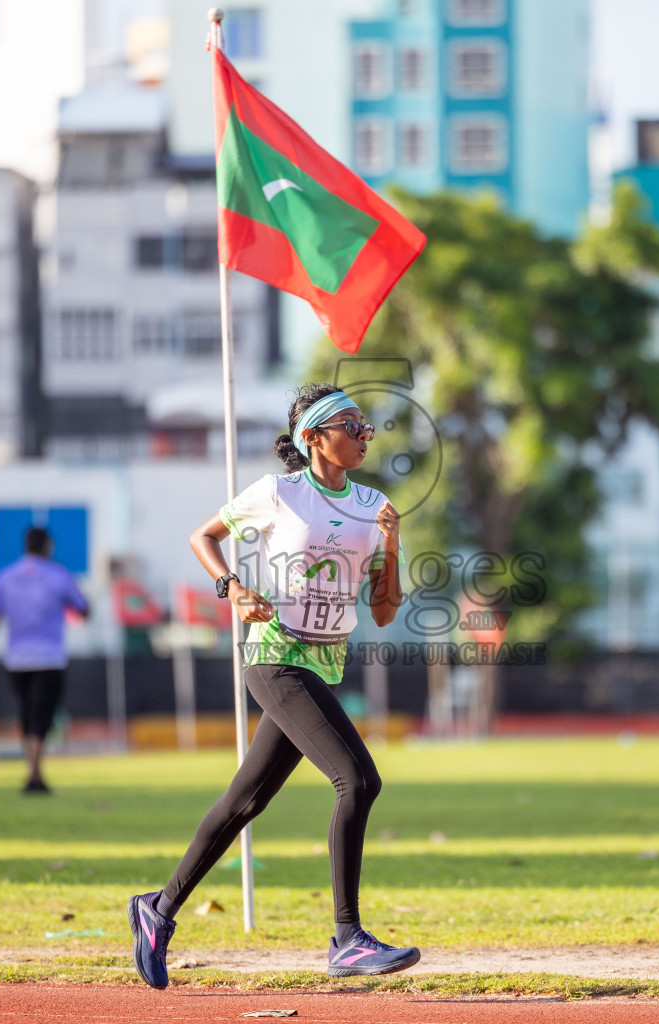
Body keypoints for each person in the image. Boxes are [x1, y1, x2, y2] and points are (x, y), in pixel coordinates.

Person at [126, 383, 417, 990]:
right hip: (275, 658)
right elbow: (201, 536)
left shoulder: (373, 504)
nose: (364, 433)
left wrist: (391, 542)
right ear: (313, 437)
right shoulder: (276, 492)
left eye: (365, 424)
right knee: (358, 780)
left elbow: (386, 612)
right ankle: (347, 939)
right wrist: (233, 589)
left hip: (322, 664)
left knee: (245, 801)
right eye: (349, 424)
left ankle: (158, 909)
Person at [0, 526, 89, 794]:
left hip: (16, 660)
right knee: (42, 717)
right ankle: (35, 774)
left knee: (27, 715)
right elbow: (84, 608)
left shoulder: (5, 576)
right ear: (47, 546)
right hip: (49, 658)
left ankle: (33, 772)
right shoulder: (59, 576)